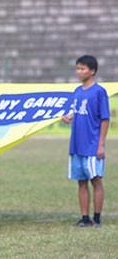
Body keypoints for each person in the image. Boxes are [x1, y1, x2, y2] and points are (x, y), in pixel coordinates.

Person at [62, 55, 109, 227]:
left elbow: (104, 119)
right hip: (76, 145)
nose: (79, 72)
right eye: (77, 68)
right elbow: (75, 112)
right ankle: (84, 218)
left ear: (92, 71)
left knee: (95, 180)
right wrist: (68, 118)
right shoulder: (77, 91)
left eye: (82, 68)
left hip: (92, 144)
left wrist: (101, 144)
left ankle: (96, 218)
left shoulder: (99, 92)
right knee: (81, 182)